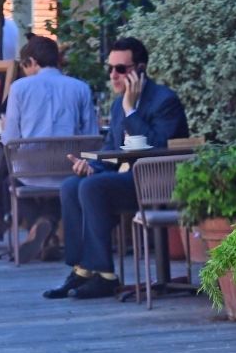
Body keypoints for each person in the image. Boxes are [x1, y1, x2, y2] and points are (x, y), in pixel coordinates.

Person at [43, 36, 189, 300]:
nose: (113, 75)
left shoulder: (164, 101)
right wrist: (91, 166)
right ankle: (82, 269)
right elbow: (113, 153)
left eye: (121, 69)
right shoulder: (118, 103)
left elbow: (158, 146)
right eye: (110, 68)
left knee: (92, 187)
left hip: (159, 182)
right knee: (72, 185)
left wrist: (131, 111)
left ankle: (105, 275)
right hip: (127, 181)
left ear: (140, 69)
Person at [0, 34, 99, 263]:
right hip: (69, 170)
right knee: (62, 177)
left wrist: (5, 129)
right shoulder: (81, 88)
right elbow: (92, 137)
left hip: (28, 173)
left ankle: (40, 225)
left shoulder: (19, 88)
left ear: (32, 61)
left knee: (7, 179)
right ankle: (49, 232)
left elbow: (10, 140)